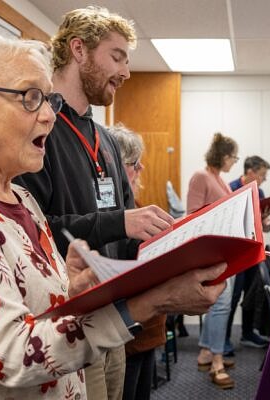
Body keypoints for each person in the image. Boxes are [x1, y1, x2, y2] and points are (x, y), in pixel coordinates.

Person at [0, 35, 226, 399]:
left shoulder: (22, 198)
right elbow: (12, 355)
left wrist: (68, 289)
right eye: (29, 97)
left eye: (49, 98)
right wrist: (150, 302)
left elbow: (31, 311)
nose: (48, 114)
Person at [13, 7, 175, 399]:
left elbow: (127, 227)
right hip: (65, 322)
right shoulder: (40, 129)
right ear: (79, 50)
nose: (126, 72)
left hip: (114, 319)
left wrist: (176, 248)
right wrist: (119, 222)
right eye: (116, 56)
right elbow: (32, 233)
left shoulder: (105, 139)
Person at [107, 124, 162, 400]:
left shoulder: (135, 203)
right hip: (126, 327)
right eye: (134, 164)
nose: (140, 170)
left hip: (147, 327)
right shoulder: (110, 212)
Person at [187, 132, 239, 389]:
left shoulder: (219, 178)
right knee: (220, 306)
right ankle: (217, 359)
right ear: (223, 156)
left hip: (225, 250)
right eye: (233, 157)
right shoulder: (201, 177)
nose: (234, 162)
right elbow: (192, 216)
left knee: (220, 305)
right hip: (211, 253)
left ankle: (206, 351)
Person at [225, 156, 270, 355]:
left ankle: (247, 333)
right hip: (235, 252)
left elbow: (259, 224)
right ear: (250, 172)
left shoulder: (259, 192)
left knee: (252, 295)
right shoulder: (230, 188)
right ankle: (224, 339)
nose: (263, 179)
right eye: (262, 175)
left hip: (253, 249)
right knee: (233, 297)